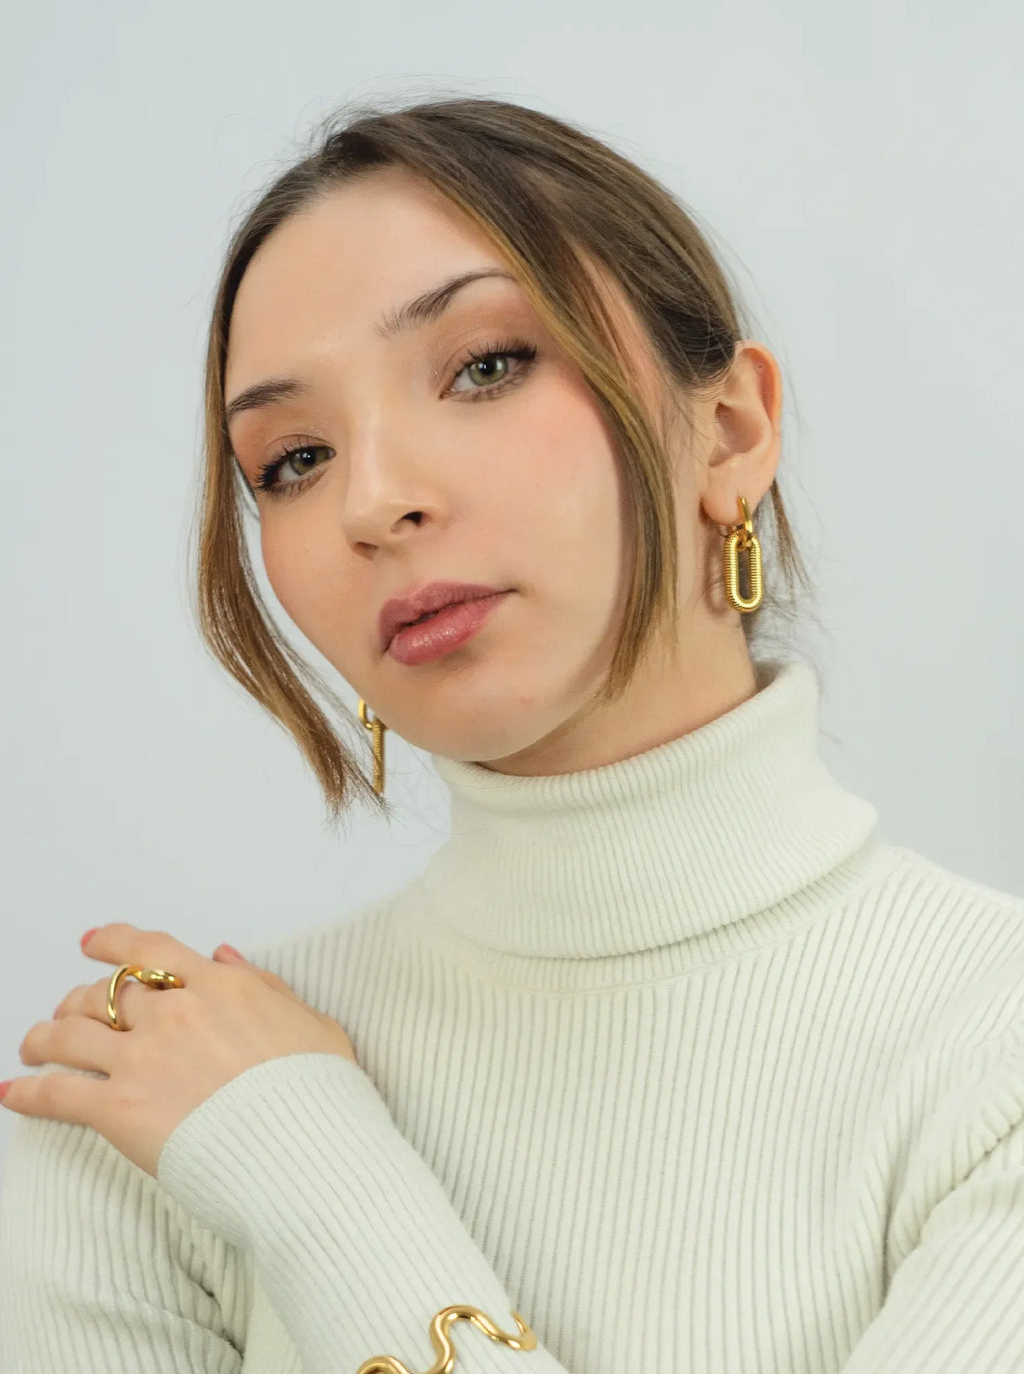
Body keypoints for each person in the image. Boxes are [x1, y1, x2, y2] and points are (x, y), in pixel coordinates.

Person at [1, 96, 1022, 1373]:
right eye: (295, 459)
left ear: (729, 431)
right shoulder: (145, 1102)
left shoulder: (992, 1053)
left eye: (484, 365)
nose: (373, 502)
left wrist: (318, 1180)